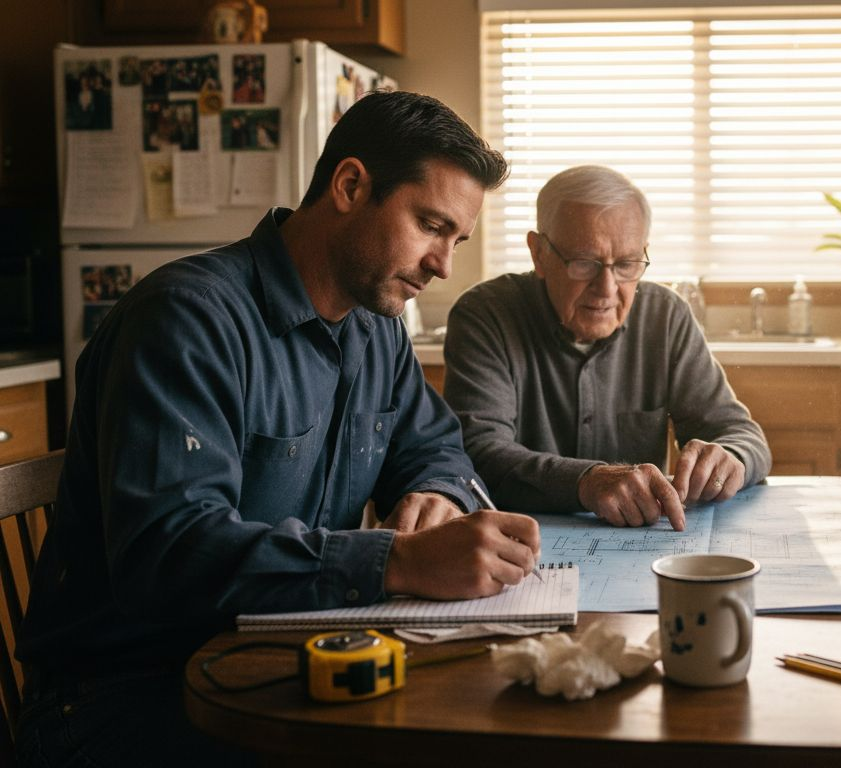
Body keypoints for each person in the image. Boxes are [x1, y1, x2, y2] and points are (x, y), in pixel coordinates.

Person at [16, 90, 533, 767]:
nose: (444, 265)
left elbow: (435, 446)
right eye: (431, 226)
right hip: (125, 700)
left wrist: (439, 494)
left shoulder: (376, 329)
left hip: (278, 663)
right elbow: (167, 556)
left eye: (455, 240)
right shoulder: (183, 322)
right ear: (350, 186)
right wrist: (397, 561)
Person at [442, 165, 771, 532]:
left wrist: (731, 459)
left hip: (642, 548)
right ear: (539, 254)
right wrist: (588, 481)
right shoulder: (486, 315)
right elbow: (477, 454)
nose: (607, 288)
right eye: (585, 263)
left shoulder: (666, 315)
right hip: (518, 546)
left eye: (627, 264)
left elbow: (743, 436)